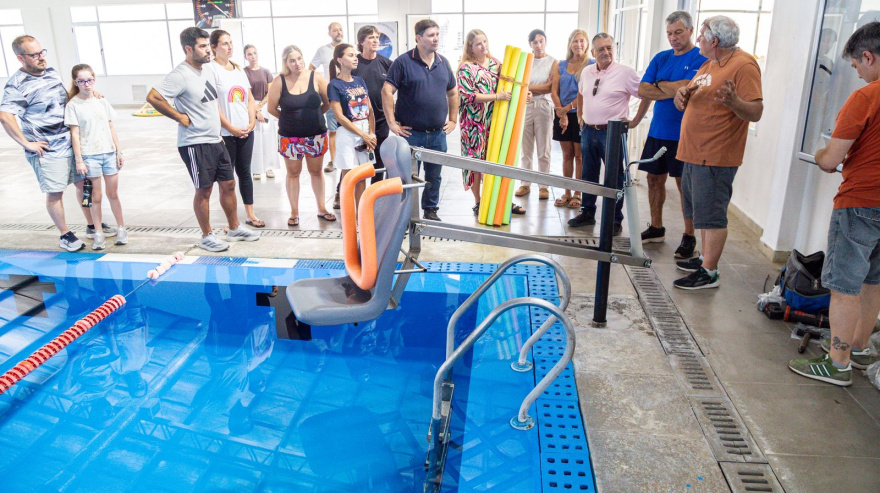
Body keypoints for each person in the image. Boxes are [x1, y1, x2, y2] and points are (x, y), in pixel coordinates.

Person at [788, 21, 880, 386]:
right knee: (873, 281)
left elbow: (830, 160)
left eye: (857, 65)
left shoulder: (865, 97)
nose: (856, 73)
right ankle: (857, 348)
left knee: (844, 286)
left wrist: (819, 152)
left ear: (868, 57)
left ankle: (837, 363)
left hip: (860, 203)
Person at [146, 27, 261, 252]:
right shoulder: (180, 74)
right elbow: (153, 97)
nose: (208, 50)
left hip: (215, 139)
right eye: (202, 46)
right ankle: (207, 236)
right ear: (189, 49)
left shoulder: (208, 69)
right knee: (204, 190)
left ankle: (234, 228)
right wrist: (179, 116)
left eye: (208, 45)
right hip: (194, 142)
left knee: (228, 184)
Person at [672, 16, 763, 289]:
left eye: (701, 35)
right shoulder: (709, 63)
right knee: (701, 213)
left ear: (714, 41)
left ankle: (709, 272)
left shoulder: (744, 65)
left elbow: (756, 111)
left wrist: (735, 102)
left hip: (715, 154)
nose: (697, 39)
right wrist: (681, 95)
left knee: (712, 216)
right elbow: (693, 95)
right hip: (693, 152)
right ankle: (704, 259)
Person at [0, 35, 97, 252]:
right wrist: (27, 144)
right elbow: (5, 116)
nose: (41, 57)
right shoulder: (16, 85)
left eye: (41, 52)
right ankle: (65, 234)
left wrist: (88, 93)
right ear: (20, 58)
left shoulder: (51, 72)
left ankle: (92, 224)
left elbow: (64, 98)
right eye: (34, 55)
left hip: (70, 143)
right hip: (48, 151)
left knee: (84, 185)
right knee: (55, 193)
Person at [636, 11, 707, 257]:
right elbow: (642, 89)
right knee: (653, 179)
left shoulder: (701, 58)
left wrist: (659, 85)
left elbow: (689, 88)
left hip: (684, 134)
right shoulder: (661, 57)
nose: (673, 38)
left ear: (690, 31)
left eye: (678, 32)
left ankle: (689, 236)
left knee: (683, 185)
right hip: (658, 130)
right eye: (669, 34)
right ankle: (656, 228)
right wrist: (673, 88)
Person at [568, 33, 650, 236]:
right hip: (588, 130)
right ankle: (587, 212)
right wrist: (580, 115)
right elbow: (581, 93)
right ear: (593, 52)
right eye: (601, 49)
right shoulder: (587, 71)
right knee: (588, 174)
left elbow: (646, 94)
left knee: (614, 177)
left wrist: (635, 121)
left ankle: (614, 219)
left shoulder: (626, 73)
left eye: (609, 48)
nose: (606, 52)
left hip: (612, 133)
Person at [382, 19, 459, 222]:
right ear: (418, 38)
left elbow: (453, 92)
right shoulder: (403, 62)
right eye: (431, 35)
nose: (436, 39)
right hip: (411, 134)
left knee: (434, 175)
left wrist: (453, 120)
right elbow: (386, 91)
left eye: (437, 35)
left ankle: (430, 209)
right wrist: (392, 123)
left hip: (437, 134)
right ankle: (403, 214)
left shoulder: (443, 62)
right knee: (405, 176)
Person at [266, 44, 337, 227]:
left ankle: (321, 208)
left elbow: (328, 102)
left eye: (299, 58)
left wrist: (315, 115)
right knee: (293, 174)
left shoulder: (316, 77)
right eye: (292, 60)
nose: (297, 63)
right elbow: (271, 108)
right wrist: (288, 119)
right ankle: (294, 212)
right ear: (286, 63)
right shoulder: (279, 81)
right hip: (290, 138)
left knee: (316, 172)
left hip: (315, 135)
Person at [65, 63, 128, 249]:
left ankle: (122, 229)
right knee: (95, 197)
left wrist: (118, 151)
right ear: (75, 82)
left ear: (94, 80)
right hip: (89, 156)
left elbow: (111, 126)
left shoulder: (101, 101)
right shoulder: (73, 105)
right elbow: (75, 134)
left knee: (113, 194)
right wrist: (79, 160)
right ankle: (97, 232)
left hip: (108, 153)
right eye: (82, 81)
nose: (86, 84)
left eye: (90, 80)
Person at [456, 29, 518, 216]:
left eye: (485, 41)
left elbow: (509, 87)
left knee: (497, 158)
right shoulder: (466, 68)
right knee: (475, 161)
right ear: (470, 48)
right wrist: (497, 96)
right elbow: (467, 95)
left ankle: (500, 199)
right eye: (478, 44)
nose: (483, 46)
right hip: (473, 123)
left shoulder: (496, 64)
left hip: (494, 120)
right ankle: (479, 201)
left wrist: (523, 95)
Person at [210, 30, 263, 229]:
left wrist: (251, 122)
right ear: (214, 47)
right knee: (227, 178)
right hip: (226, 133)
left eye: (231, 42)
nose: (230, 47)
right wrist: (230, 127)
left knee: (245, 172)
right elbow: (213, 105)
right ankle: (231, 221)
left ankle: (250, 214)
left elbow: (249, 98)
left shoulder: (238, 69)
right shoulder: (211, 70)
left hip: (246, 130)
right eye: (224, 43)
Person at [328, 43, 376, 205]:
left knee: (362, 176)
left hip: (365, 132)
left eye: (355, 55)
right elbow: (339, 116)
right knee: (349, 178)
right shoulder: (334, 85)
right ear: (339, 60)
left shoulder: (360, 81)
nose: (355, 58)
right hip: (348, 133)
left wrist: (371, 134)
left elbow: (370, 110)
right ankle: (348, 215)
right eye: (350, 55)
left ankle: (360, 215)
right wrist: (362, 134)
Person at [551, 29, 593, 210]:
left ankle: (578, 193)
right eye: (575, 41)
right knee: (567, 155)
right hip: (561, 113)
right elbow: (554, 91)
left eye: (582, 41)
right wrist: (561, 113)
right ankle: (567, 192)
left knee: (579, 156)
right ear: (570, 44)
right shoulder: (560, 64)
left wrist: (567, 109)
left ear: (587, 44)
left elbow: (585, 92)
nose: (578, 44)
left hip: (580, 115)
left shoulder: (591, 65)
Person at [516, 29, 557, 201]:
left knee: (544, 149)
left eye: (541, 41)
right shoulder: (526, 61)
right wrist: (529, 87)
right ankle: (525, 183)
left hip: (544, 106)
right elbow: (518, 84)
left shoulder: (553, 62)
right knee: (526, 149)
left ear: (545, 42)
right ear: (530, 44)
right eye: (535, 42)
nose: (538, 45)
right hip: (525, 106)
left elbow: (549, 87)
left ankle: (543, 185)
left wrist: (527, 86)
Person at [352, 25, 394, 187]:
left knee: (379, 158)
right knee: (356, 160)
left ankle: (375, 192)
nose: (376, 40)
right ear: (361, 41)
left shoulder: (387, 64)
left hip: (381, 119)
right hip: (359, 120)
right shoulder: (354, 63)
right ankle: (342, 191)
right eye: (371, 37)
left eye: (377, 37)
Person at [310, 22, 346, 174]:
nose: (338, 32)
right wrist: (318, 87)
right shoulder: (323, 50)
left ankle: (349, 159)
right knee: (333, 130)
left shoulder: (348, 49)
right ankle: (333, 161)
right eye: (335, 30)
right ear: (329, 33)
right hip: (331, 95)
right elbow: (311, 68)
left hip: (348, 95)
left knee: (350, 128)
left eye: (340, 29)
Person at [244, 44, 278, 180]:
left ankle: (269, 166)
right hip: (250, 106)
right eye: (249, 54)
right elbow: (245, 94)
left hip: (264, 107)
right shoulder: (243, 72)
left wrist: (260, 106)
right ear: (245, 57)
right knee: (255, 138)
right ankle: (256, 169)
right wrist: (255, 110)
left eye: (255, 53)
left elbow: (271, 91)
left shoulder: (266, 72)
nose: (253, 56)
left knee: (268, 137)